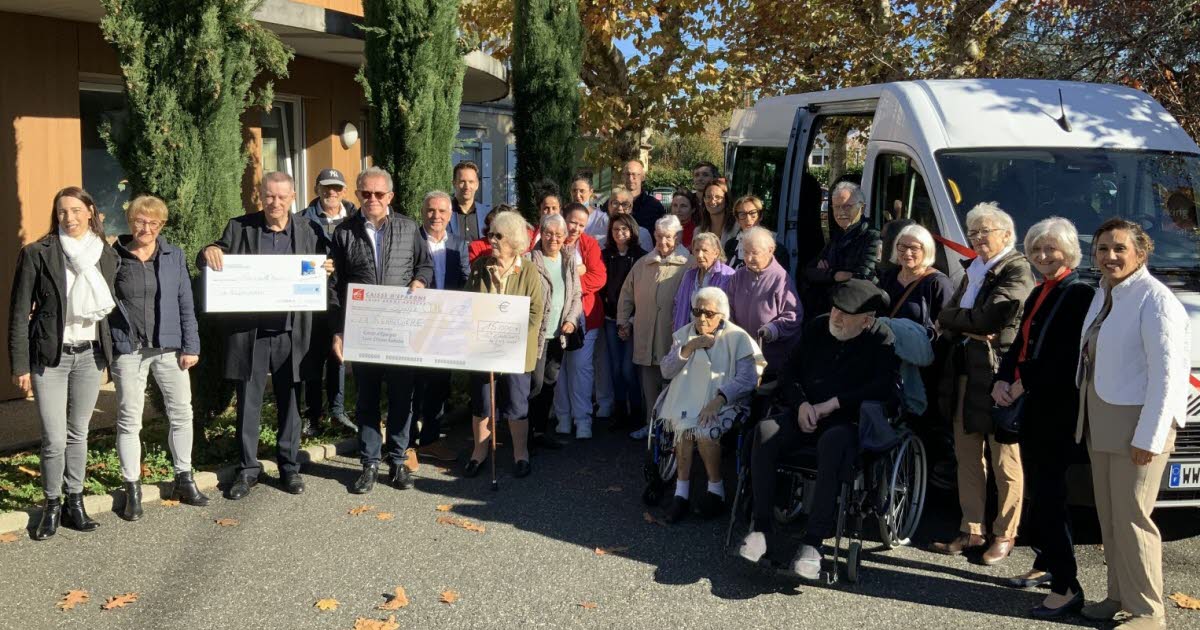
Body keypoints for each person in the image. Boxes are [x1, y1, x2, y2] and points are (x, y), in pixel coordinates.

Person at [737, 280, 899, 579]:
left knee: (834, 443)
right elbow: (789, 371)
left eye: (845, 314)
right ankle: (761, 528)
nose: (836, 317)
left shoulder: (881, 338)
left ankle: (813, 542)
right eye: (835, 309)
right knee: (765, 431)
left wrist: (834, 404)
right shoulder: (818, 328)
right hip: (804, 412)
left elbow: (883, 388)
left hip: (846, 421)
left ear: (866, 320)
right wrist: (800, 403)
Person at [1074, 219, 1189, 630]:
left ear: (1142, 253)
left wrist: (1151, 437)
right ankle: (1118, 595)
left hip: (1138, 424)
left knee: (1134, 518)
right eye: (1103, 248)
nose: (1110, 256)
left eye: (1120, 248)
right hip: (1102, 418)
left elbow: (1168, 377)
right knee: (1110, 518)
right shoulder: (1105, 293)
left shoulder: (1155, 301)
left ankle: (1148, 612)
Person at [200, 172, 330, 500]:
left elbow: (325, 265)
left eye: (282, 197)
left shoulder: (308, 230)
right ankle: (247, 469)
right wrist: (210, 250)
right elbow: (216, 254)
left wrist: (329, 268)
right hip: (251, 332)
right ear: (261, 195)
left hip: (291, 330)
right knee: (249, 402)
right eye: (269, 196)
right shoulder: (239, 227)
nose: (275, 203)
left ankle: (289, 467)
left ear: (293, 198)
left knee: (290, 402)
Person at [989, 217, 1094, 618]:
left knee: (1051, 497)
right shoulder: (1040, 291)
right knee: (1040, 492)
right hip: (1032, 406)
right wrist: (1002, 379)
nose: (1043, 255)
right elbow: (1020, 343)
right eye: (1036, 249)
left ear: (1069, 251)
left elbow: (1064, 356)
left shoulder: (1077, 292)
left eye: (1051, 248)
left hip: (1054, 409)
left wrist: (1019, 384)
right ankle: (1048, 564)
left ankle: (1067, 585)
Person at [9, 187, 118, 540]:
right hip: (49, 358)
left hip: (89, 355)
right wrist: (20, 365)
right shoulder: (36, 253)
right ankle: (51, 504)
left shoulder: (106, 254)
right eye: (61, 212)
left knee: (78, 433)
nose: (68, 218)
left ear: (90, 212)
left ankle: (75, 501)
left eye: (74, 210)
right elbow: (18, 314)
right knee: (54, 438)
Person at [931, 202, 1035, 564]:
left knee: (1005, 458)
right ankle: (971, 529)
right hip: (964, 369)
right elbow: (966, 317)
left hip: (996, 373)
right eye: (973, 232)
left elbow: (990, 316)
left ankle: (1005, 533)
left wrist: (952, 318)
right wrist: (961, 320)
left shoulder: (1018, 269)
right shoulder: (974, 268)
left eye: (984, 232)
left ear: (1006, 235)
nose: (977, 238)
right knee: (967, 455)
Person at [329, 167, 434, 494]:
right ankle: (369, 463)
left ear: (390, 196)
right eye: (365, 193)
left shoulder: (408, 227)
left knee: (403, 397)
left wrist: (420, 281)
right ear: (358, 194)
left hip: (401, 331)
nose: (372, 199)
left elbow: (425, 265)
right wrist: (338, 331)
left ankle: (399, 460)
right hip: (363, 332)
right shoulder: (344, 232)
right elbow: (335, 286)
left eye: (379, 194)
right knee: (367, 400)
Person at [110, 195, 207, 522]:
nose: (146, 228)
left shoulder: (172, 255)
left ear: (161, 225)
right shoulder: (114, 257)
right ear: (130, 222)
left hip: (169, 348)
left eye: (153, 223)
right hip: (130, 350)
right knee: (129, 419)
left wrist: (191, 345)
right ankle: (132, 487)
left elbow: (185, 304)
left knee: (181, 412)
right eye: (140, 221)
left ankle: (184, 477)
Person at [658, 286, 766, 523]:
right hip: (688, 400)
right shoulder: (684, 334)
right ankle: (681, 493)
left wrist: (719, 399)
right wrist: (690, 347)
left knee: (705, 432)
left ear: (722, 315)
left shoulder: (737, 337)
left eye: (708, 313)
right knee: (683, 429)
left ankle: (715, 490)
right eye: (697, 311)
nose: (701, 318)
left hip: (727, 403)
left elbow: (748, 379)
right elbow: (666, 370)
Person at [464, 211, 545, 479]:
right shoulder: (480, 267)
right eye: (490, 235)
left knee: (516, 403)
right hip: (482, 350)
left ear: (513, 240)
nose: (492, 240)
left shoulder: (529, 270)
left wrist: (512, 339)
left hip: (516, 351)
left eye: (498, 236)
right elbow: (467, 303)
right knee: (482, 403)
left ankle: (520, 454)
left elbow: (536, 311)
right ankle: (479, 452)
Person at [409, 191, 471, 463]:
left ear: (450, 215)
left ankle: (430, 441)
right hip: (415, 326)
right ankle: (407, 445)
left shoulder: (459, 244)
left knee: (438, 386)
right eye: (431, 210)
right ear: (423, 212)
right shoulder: (411, 241)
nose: (436, 216)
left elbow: (466, 279)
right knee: (412, 388)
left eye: (442, 212)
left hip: (445, 327)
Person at [617, 215, 692, 440]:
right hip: (645, 332)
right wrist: (623, 320)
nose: (663, 242)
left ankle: (670, 430)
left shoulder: (688, 264)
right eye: (659, 236)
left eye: (668, 237)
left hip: (671, 335)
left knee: (671, 383)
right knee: (648, 384)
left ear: (678, 237)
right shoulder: (643, 263)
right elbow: (626, 294)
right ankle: (650, 426)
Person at [299, 168, 357, 435]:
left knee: (338, 355)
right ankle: (312, 415)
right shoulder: (300, 221)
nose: (331, 192)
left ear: (343, 191)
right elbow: (293, 261)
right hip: (312, 299)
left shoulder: (357, 219)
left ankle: (337, 411)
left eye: (336, 188)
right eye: (326, 187)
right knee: (312, 357)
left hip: (344, 298)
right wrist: (315, 268)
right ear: (317, 189)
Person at [527, 213, 583, 449]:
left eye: (559, 234)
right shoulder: (530, 260)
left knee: (550, 383)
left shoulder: (569, 259)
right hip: (536, 335)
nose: (554, 239)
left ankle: (539, 433)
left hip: (558, 335)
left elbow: (576, 295)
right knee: (534, 385)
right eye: (549, 233)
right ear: (541, 233)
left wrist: (571, 320)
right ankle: (524, 434)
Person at [555, 204, 608, 438]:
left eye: (581, 224)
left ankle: (583, 419)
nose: (575, 228)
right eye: (572, 221)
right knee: (557, 369)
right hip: (555, 316)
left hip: (584, 316)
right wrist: (577, 273)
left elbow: (599, 277)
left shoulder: (589, 244)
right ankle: (563, 417)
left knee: (580, 368)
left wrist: (571, 287)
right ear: (563, 218)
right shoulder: (550, 241)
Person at [727, 227, 803, 378]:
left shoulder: (780, 278)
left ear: (770, 250)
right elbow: (728, 307)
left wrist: (772, 329)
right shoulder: (738, 276)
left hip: (772, 359)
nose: (748, 258)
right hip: (742, 353)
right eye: (746, 252)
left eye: (754, 253)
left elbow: (794, 315)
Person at [802, 181, 882, 318]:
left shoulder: (872, 237)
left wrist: (826, 273)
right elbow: (809, 271)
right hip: (828, 309)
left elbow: (862, 278)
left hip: (855, 312)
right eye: (836, 207)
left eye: (847, 206)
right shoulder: (838, 235)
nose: (840, 213)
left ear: (862, 208)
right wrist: (834, 275)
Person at [601, 214, 647, 429]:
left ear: (632, 230)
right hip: (610, 319)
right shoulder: (605, 255)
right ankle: (620, 413)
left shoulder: (641, 257)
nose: (620, 233)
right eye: (616, 229)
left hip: (633, 320)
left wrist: (628, 321)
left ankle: (637, 413)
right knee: (615, 369)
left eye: (624, 229)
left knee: (629, 369)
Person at [672, 232, 734, 331]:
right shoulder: (689, 275)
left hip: (715, 336)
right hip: (687, 333)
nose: (700, 255)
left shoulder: (727, 275)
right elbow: (678, 303)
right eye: (696, 250)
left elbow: (730, 311)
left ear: (716, 253)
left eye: (705, 250)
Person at [725, 195, 789, 271]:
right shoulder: (730, 245)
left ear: (760, 216)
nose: (748, 219)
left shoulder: (777, 250)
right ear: (737, 219)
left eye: (752, 213)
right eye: (742, 214)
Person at [603, 159, 665, 232]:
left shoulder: (654, 207)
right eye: (628, 174)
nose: (630, 178)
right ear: (623, 177)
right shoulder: (611, 204)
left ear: (643, 177)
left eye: (634, 174)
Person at [448, 161, 491, 241]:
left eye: (471, 182)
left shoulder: (487, 214)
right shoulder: (444, 212)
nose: (467, 186)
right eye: (462, 182)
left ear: (477, 185)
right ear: (454, 184)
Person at [601, 185, 653, 251]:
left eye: (625, 204)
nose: (620, 208)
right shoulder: (597, 232)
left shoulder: (642, 234)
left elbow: (648, 260)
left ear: (631, 208)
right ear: (608, 206)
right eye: (615, 203)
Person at [569, 174, 609, 241]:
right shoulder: (565, 215)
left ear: (591, 192)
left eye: (582, 191)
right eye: (574, 191)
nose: (577, 195)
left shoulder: (601, 219)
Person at [697, 181, 734, 246]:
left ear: (726, 200)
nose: (712, 201)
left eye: (718, 197)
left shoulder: (737, 228)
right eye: (708, 197)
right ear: (704, 200)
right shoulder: (698, 231)